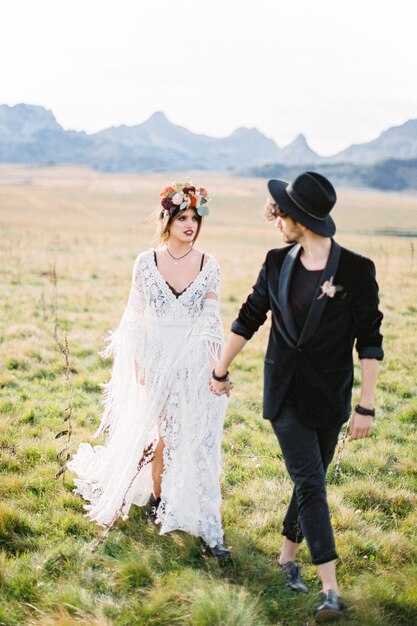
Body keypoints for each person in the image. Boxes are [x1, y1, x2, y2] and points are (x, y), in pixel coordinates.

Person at [210, 172, 383, 620]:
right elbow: (249, 317)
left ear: (299, 219)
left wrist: (366, 404)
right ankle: (331, 590)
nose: (276, 222)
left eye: (281, 214)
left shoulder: (355, 270)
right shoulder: (275, 262)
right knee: (310, 482)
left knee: (312, 482)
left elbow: (370, 340)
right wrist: (220, 368)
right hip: (284, 392)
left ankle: (287, 558)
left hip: (331, 395)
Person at [68, 182, 231, 559]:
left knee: (190, 435)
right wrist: (138, 361)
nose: (189, 225)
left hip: (192, 360)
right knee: (166, 432)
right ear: (168, 219)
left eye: (194, 218)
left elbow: (211, 318)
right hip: (156, 358)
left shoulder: (210, 264)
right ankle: (161, 500)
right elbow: (135, 316)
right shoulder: (145, 262)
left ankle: (183, 506)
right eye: (182, 217)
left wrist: (215, 367)